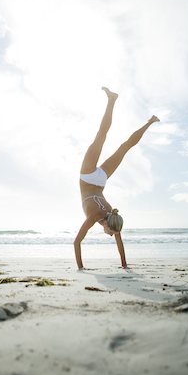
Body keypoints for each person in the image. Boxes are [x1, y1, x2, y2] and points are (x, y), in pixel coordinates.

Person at [74, 87, 160, 270]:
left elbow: (119, 244)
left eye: (113, 233)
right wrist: (81, 269)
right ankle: (113, 101)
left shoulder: (114, 216)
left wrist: (124, 265)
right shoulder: (98, 216)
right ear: (109, 224)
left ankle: (150, 121)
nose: (112, 235)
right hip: (89, 176)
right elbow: (77, 242)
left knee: (119, 146)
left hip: (100, 181)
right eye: (113, 233)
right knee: (107, 139)